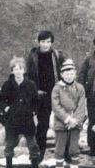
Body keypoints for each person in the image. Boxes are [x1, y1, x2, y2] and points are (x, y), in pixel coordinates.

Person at [0, 57, 42, 168]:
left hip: (27, 120)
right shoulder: (7, 85)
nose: (18, 71)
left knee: (32, 145)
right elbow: (0, 100)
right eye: (15, 69)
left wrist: (34, 112)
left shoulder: (30, 84)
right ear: (12, 71)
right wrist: (6, 108)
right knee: (10, 145)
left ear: (24, 70)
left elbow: (37, 101)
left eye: (20, 68)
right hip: (12, 120)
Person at [25, 30, 66, 158]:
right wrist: (35, 90)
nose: (45, 44)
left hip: (56, 93)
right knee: (42, 124)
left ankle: (65, 152)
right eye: (43, 41)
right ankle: (39, 152)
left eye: (48, 42)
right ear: (38, 42)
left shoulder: (57, 55)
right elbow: (29, 76)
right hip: (40, 95)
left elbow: (65, 72)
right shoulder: (32, 56)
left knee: (63, 122)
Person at [51, 58, 87, 168]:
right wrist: (67, 119)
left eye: (71, 73)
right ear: (62, 75)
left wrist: (75, 120)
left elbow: (82, 106)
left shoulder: (80, 88)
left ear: (75, 74)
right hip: (61, 123)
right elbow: (56, 106)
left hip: (75, 124)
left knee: (73, 149)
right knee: (59, 149)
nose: (69, 76)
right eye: (66, 73)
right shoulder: (57, 89)